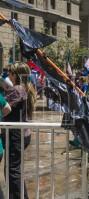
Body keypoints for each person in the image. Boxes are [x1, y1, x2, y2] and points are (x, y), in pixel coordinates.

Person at [2, 62, 36, 199]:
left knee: (12, 170)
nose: (8, 75)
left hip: (16, 135)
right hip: (21, 134)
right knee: (14, 170)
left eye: (10, 73)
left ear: (16, 75)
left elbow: (4, 109)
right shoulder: (24, 88)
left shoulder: (17, 89)